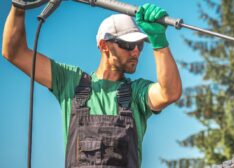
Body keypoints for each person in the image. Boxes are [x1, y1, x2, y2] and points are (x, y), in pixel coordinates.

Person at [2, 3, 182, 168]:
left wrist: (159, 42)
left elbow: (169, 93)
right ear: (104, 45)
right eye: (128, 44)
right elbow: (14, 52)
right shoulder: (70, 81)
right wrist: (19, 7)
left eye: (140, 46)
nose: (136, 51)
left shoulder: (137, 93)